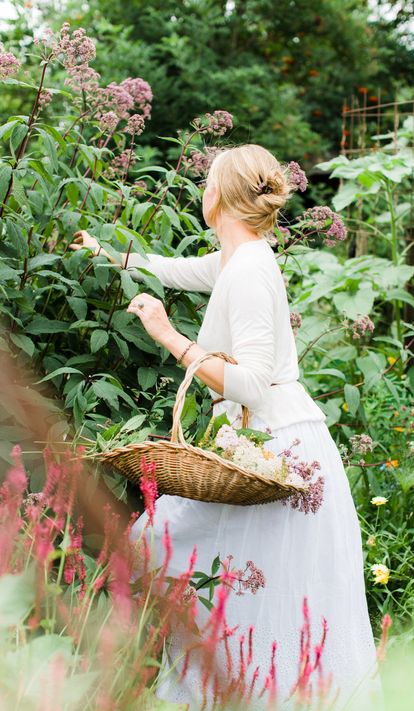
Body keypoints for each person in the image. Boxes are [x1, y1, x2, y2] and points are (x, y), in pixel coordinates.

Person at [70, 144, 384, 710]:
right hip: (260, 448)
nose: (201, 190)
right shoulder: (240, 260)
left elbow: (252, 385)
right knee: (233, 590)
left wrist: (168, 337)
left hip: (274, 456)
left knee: (213, 577)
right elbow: (172, 270)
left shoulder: (249, 271)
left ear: (220, 195)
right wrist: (105, 253)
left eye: (207, 181)